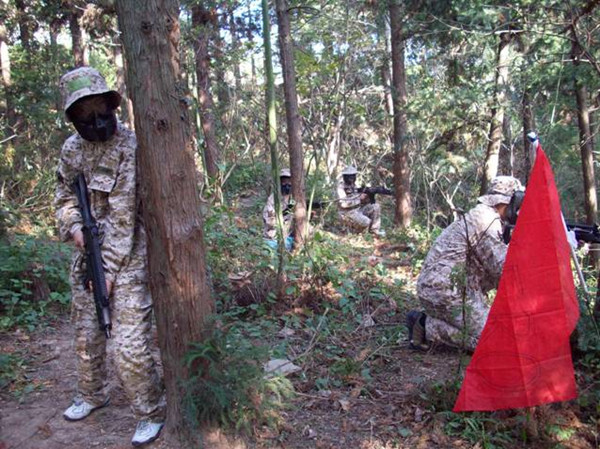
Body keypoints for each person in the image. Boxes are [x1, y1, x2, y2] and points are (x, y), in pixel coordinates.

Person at [54, 67, 164, 446]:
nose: (97, 121)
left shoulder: (128, 146)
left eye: (102, 111)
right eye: (86, 116)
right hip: (87, 254)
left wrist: (110, 272)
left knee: (128, 345)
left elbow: (123, 216)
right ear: (74, 117)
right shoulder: (71, 150)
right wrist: (74, 227)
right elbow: (63, 197)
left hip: (127, 255)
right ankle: (92, 394)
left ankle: (150, 411)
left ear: (112, 106)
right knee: (87, 334)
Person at [407, 176, 525, 352]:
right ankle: (425, 326)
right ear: (509, 200)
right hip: (443, 290)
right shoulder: (485, 220)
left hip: (450, 287)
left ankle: (428, 322)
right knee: (496, 339)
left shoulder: (487, 217)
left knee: (499, 332)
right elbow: (502, 268)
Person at [336, 165, 384, 236]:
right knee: (366, 221)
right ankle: (356, 233)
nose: (352, 178)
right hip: (347, 213)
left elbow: (361, 200)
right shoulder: (340, 188)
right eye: (349, 176)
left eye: (353, 175)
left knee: (375, 206)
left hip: (357, 210)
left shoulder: (354, 186)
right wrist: (359, 199)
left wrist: (367, 197)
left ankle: (374, 231)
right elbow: (343, 204)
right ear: (344, 176)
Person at [263, 168, 295, 251]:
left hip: (288, 236)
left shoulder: (293, 198)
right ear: (280, 182)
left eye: (289, 182)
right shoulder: (273, 199)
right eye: (284, 182)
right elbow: (269, 221)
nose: (287, 185)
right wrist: (285, 212)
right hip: (273, 238)